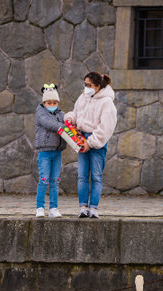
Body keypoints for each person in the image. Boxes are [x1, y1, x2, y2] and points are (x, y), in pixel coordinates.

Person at [65, 72, 117, 218]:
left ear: (98, 86)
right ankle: (82, 207)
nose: (86, 88)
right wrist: (69, 118)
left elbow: (106, 127)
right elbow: (76, 113)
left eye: (89, 85)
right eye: (85, 85)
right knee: (82, 175)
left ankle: (93, 208)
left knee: (96, 175)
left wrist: (91, 142)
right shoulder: (83, 97)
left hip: (96, 141)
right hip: (81, 137)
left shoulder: (107, 102)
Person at [35, 84, 66, 218]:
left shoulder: (61, 114)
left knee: (55, 180)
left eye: (54, 102)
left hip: (57, 152)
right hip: (45, 152)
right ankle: (40, 207)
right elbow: (49, 123)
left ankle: (53, 207)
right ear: (44, 102)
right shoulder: (41, 113)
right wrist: (63, 126)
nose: (52, 104)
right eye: (49, 102)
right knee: (44, 179)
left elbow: (69, 121)